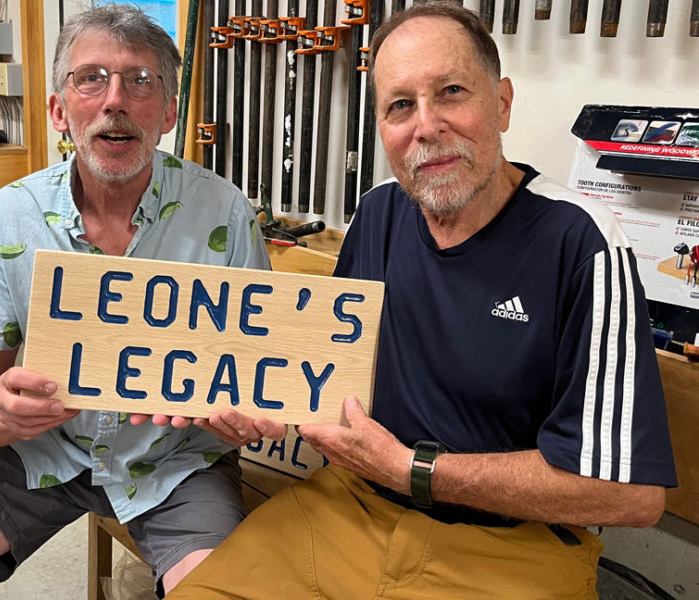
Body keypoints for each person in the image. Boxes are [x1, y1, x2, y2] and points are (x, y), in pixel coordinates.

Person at [168, 3, 677, 598]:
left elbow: (630, 494)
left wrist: (410, 469)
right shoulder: (377, 212)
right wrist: (253, 406)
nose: (426, 125)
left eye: (452, 92)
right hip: (349, 508)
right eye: (400, 105)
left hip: (513, 549)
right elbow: (323, 381)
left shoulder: (582, 241)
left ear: (503, 102)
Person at [0, 5, 281, 597]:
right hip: (44, 449)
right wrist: (2, 414)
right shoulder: (11, 215)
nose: (115, 100)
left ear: (168, 112)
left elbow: (256, 377)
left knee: (218, 592)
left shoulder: (227, 213)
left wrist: (246, 418)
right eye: (91, 78)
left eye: (139, 80)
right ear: (59, 110)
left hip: (179, 461)